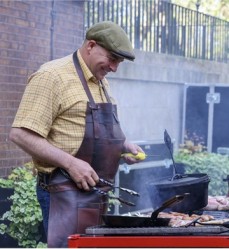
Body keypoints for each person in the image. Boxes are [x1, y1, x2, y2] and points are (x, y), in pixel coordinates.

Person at [9, 21, 145, 248]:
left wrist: (123, 146)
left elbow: (94, 131)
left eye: (119, 62)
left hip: (96, 195)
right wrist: (71, 163)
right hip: (63, 194)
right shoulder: (52, 76)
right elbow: (20, 134)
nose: (114, 68)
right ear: (91, 45)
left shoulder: (101, 82)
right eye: (112, 59)